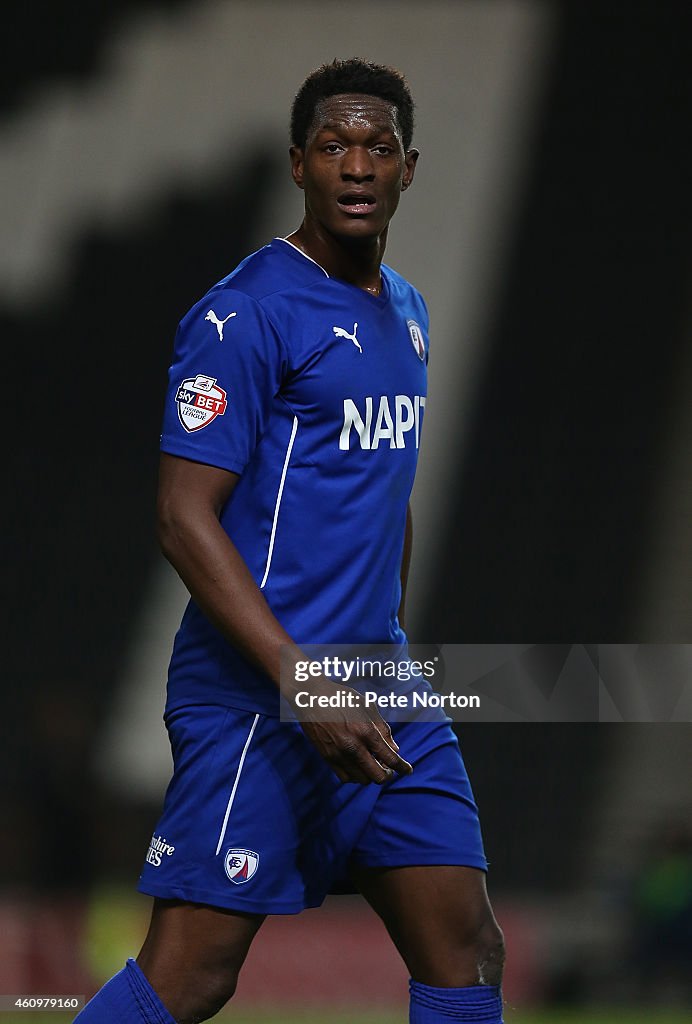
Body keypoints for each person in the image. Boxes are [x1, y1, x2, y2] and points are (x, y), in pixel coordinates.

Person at [75, 58, 505, 1024]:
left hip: (379, 684)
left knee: (467, 949)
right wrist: (302, 680)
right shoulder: (245, 314)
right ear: (298, 165)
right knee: (192, 976)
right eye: (334, 145)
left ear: (409, 168)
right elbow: (181, 517)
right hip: (258, 695)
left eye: (378, 147)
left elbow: (384, 491)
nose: (357, 164)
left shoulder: (408, 312)